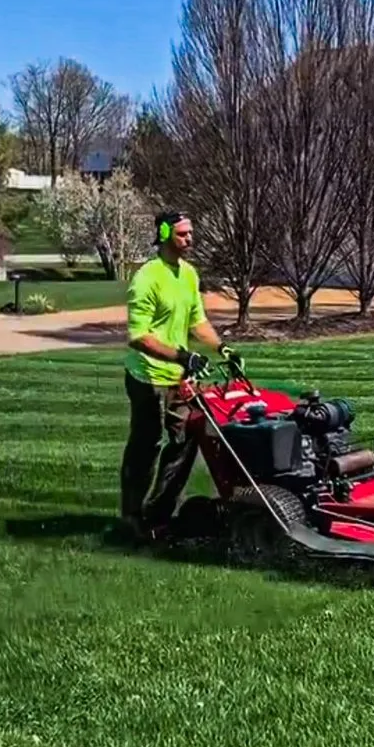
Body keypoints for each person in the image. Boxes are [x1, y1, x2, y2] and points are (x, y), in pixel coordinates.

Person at [119, 210, 244, 540]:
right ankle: (131, 516)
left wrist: (223, 348)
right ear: (164, 235)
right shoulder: (147, 278)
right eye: (183, 234)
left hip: (179, 379)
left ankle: (158, 514)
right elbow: (138, 337)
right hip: (147, 378)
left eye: (191, 233)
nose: (190, 239)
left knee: (185, 442)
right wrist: (182, 356)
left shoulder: (188, 274)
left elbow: (197, 321)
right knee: (146, 446)